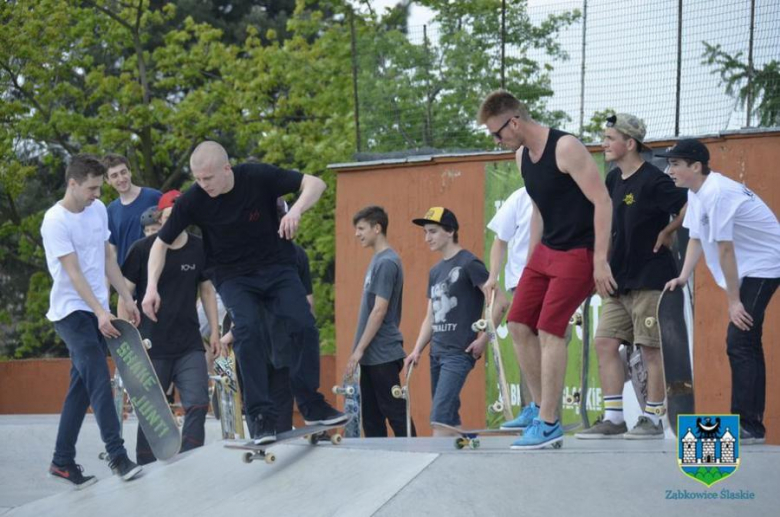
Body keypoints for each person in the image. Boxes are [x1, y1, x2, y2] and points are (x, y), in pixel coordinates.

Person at [142, 141, 346, 445]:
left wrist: (297, 211)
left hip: (277, 267)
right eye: (198, 179)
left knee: (303, 324)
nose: (203, 185)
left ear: (227, 168)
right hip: (232, 276)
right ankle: (260, 415)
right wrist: (151, 287)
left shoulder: (257, 176)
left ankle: (311, 403)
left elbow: (315, 183)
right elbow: (160, 243)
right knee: (248, 329)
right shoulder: (194, 199)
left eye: (208, 178)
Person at [477, 90, 614, 449]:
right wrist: (530, 263)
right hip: (547, 251)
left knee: (550, 330)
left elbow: (602, 200)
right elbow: (538, 209)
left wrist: (600, 260)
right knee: (520, 323)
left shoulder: (566, 148)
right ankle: (538, 407)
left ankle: (550, 423)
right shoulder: (522, 156)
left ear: (515, 122)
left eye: (497, 133)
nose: (497, 141)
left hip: (579, 252)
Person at [574, 114, 687, 440]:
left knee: (650, 349)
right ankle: (613, 418)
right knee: (605, 342)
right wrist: (601, 264)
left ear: (630, 143)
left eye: (610, 138)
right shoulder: (612, 180)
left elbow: (691, 204)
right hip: (618, 280)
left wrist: (668, 230)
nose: (603, 143)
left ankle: (653, 419)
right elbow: (606, 225)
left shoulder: (654, 180)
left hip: (651, 278)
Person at [661, 138, 780, 445]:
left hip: (767, 264)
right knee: (742, 340)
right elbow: (697, 238)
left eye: (675, 164)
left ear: (696, 166)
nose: (668, 169)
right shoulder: (697, 192)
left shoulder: (717, 194)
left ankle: (750, 426)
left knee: (740, 339)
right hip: (750, 266)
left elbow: (725, 250)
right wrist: (683, 276)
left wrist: (734, 302)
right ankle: (748, 425)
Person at [41, 154, 143, 488]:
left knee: (81, 388)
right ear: (73, 184)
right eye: (92, 188)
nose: (98, 194)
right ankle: (117, 455)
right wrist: (100, 312)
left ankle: (62, 461)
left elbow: (106, 258)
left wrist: (126, 298)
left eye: (99, 188)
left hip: (97, 308)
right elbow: (73, 274)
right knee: (99, 377)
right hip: (72, 312)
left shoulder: (97, 210)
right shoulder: (55, 221)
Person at [119, 190, 221, 464]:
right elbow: (124, 296)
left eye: (180, 215)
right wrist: (127, 339)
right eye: (168, 216)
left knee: (198, 402)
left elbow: (207, 291)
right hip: (152, 345)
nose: (174, 220)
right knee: (152, 410)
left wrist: (214, 331)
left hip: (188, 343)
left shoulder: (199, 247)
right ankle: (145, 462)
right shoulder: (142, 249)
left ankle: (189, 459)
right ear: (160, 217)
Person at [404, 207, 489, 436]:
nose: (427, 238)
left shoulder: (469, 263)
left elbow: (499, 302)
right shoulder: (435, 271)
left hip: (458, 352)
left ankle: (437, 467)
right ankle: (465, 450)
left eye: (432, 231)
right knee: (449, 419)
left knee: (439, 418)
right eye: (425, 232)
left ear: (450, 231)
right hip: (436, 353)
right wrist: (416, 350)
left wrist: (485, 338)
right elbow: (430, 317)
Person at [346, 206, 416, 437]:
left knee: (395, 413)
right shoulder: (377, 260)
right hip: (370, 357)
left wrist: (358, 350)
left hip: (383, 354)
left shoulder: (387, 262)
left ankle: (416, 458)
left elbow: (379, 311)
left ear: (377, 228)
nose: (357, 234)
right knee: (372, 419)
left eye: (361, 228)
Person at [482, 187, 537, 430]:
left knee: (549, 342)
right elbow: (500, 240)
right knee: (524, 340)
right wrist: (493, 276)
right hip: (520, 282)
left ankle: (544, 411)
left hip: (553, 277)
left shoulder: (562, 187)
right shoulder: (520, 196)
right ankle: (533, 408)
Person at [103, 154, 161, 265]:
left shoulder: (154, 197)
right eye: (114, 175)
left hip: (156, 268)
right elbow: (113, 251)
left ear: (130, 172)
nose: (121, 178)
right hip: (128, 276)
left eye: (123, 172)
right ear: (108, 180)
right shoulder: (110, 211)